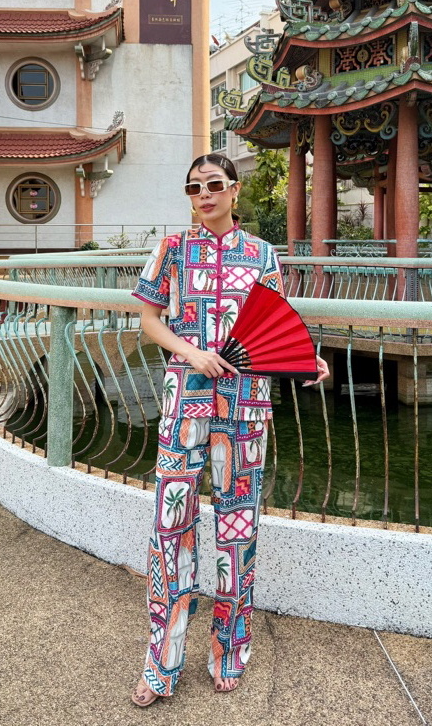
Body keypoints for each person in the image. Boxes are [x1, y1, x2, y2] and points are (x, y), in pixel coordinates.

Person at [130, 154, 329, 707]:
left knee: (238, 533)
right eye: (194, 187)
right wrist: (192, 352)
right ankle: (161, 663)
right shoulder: (171, 250)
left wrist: (306, 360)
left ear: (234, 190)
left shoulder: (263, 255)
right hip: (184, 405)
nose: (204, 194)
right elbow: (149, 322)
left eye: (214, 184)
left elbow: (273, 326)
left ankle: (229, 650)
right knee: (170, 530)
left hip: (245, 409)